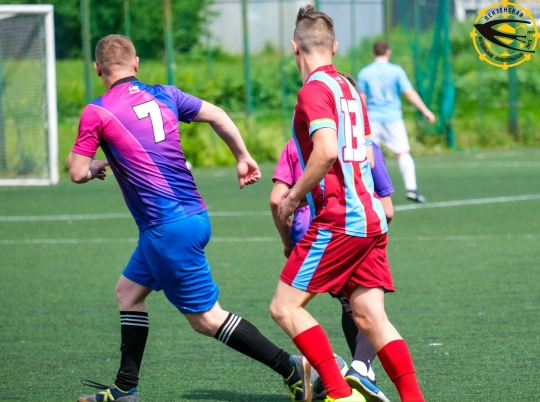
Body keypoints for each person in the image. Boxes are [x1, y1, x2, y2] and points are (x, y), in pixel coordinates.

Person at [67, 34, 311, 402]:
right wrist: (242, 156)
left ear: (98, 69)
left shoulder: (97, 111)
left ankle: (290, 367)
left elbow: (76, 171)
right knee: (128, 293)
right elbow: (219, 115)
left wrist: (96, 166)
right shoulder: (166, 94)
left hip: (167, 229)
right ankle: (125, 388)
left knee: (207, 319)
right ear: (136, 64)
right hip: (190, 217)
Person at [269, 6, 425, 402]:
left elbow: (325, 151)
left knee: (285, 308)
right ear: (334, 46)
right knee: (371, 317)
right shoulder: (350, 90)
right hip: (372, 218)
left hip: (341, 219)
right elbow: (368, 155)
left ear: (294, 47)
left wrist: (293, 196)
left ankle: (339, 393)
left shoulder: (313, 90)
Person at [270, 137, 394, 402]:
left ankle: (342, 373)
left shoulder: (295, 143)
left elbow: (275, 200)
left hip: (306, 236)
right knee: (365, 309)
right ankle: (355, 372)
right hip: (350, 232)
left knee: (299, 306)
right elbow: (387, 210)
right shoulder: (366, 144)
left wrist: (287, 242)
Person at [356, 40, 436, 203]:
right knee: (403, 153)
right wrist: (426, 111)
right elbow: (409, 93)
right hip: (393, 119)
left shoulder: (365, 73)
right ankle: (411, 189)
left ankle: (364, 191)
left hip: (372, 120)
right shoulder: (396, 71)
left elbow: (361, 100)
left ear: (374, 52)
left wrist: (358, 122)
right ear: (388, 52)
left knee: (368, 155)